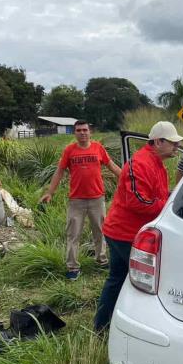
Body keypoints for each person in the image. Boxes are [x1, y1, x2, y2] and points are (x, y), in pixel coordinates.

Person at [94, 121, 183, 331]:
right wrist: (169, 206)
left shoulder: (155, 163)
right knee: (142, 282)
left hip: (127, 232)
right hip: (124, 234)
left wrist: (171, 196)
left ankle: (104, 325)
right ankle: (125, 325)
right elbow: (138, 201)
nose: (176, 147)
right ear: (158, 141)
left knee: (118, 279)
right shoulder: (140, 163)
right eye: (173, 142)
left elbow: (154, 195)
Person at [40, 120, 121, 280]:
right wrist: (50, 192)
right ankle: (73, 267)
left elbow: (112, 165)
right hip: (76, 201)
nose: (82, 133)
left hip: (97, 199)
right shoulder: (69, 150)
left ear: (90, 132)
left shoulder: (98, 148)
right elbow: (59, 171)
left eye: (85, 130)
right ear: (75, 133)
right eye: (79, 130)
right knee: (73, 234)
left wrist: (128, 179)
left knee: (100, 232)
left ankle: (101, 260)